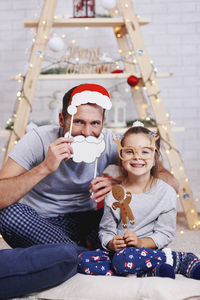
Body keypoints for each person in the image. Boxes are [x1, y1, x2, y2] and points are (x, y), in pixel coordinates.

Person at [0, 84, 178, 251]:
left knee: (126, 214)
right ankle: (83, 254)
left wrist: (120, 184)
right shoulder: (37, 139)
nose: (87, 132)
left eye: (95, 123)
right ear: (62, 119)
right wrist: (45, 167)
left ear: (103, 121)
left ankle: (66, 253)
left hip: (92, 220)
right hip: (43, 222)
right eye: (78, 122)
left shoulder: (110, 141)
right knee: (10, 216)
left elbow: (171, 183)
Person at [78, 122, 200, 280]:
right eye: (129, 151)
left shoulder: (165, 193)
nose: (137, 156)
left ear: (155, 157)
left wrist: (141, 243)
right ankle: (150, 271)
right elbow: (106, 231)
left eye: (145, 151)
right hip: (120, 253)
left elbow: (165, 233)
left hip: (150, 250)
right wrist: (111, 242)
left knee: (123, 260)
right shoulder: (114, 195)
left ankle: (178, 260)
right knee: (84, 261)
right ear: (121, 157)